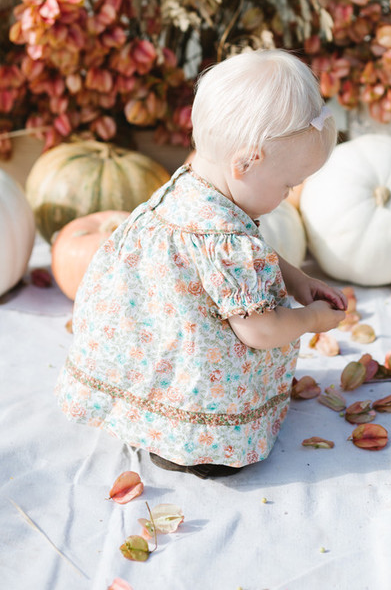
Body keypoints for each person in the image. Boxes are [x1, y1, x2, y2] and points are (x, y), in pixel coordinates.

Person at [55, 49, 347, 478]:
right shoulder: (224, 238)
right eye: (288, 184)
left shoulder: (188, 186)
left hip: (147, 345)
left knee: (169, 361)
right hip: (199, 378)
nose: (288, 196)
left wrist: (296, 277)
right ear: (246, 163)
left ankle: (148, 417)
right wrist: (311, 320)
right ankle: (200, 446)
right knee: (205, 374)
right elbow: (260, 328)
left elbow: (246, 251)